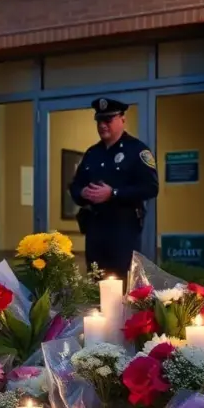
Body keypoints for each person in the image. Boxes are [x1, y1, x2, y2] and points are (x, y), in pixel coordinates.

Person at [69, 97, 159, 280]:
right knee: (95, 282)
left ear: (122, 119)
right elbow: (75, 186)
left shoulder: (137, 150)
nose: (103, 125)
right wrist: (82, 193)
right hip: (95, 230)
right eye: (99, 121)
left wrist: (113, 193)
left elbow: (150, 188)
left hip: (123, 231)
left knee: (122, 283)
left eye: (108, 120)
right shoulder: (92, 153)